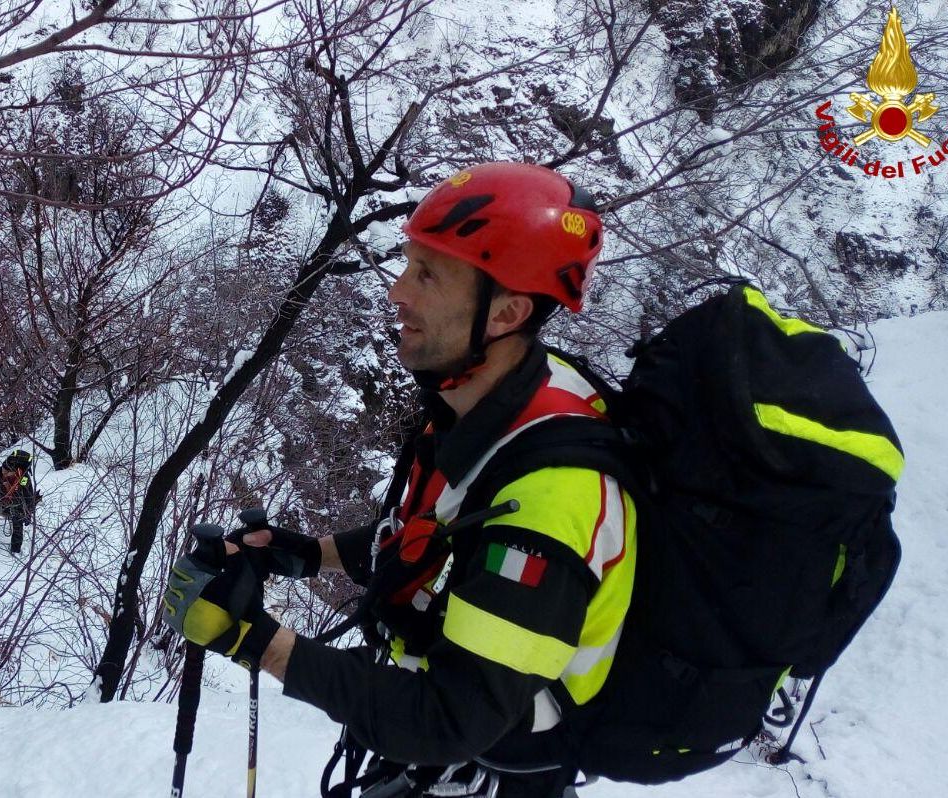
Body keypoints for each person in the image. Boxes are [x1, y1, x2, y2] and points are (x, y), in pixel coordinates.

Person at [163, 162, 631, 798]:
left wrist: (252, 639)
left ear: (506, 312)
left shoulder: (550, 501)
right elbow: (439, 535)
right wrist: (307, 554)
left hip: (497, 774)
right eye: (409, 264)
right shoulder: (501, 399)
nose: (397, 291)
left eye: (427, 274)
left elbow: (446, 719)